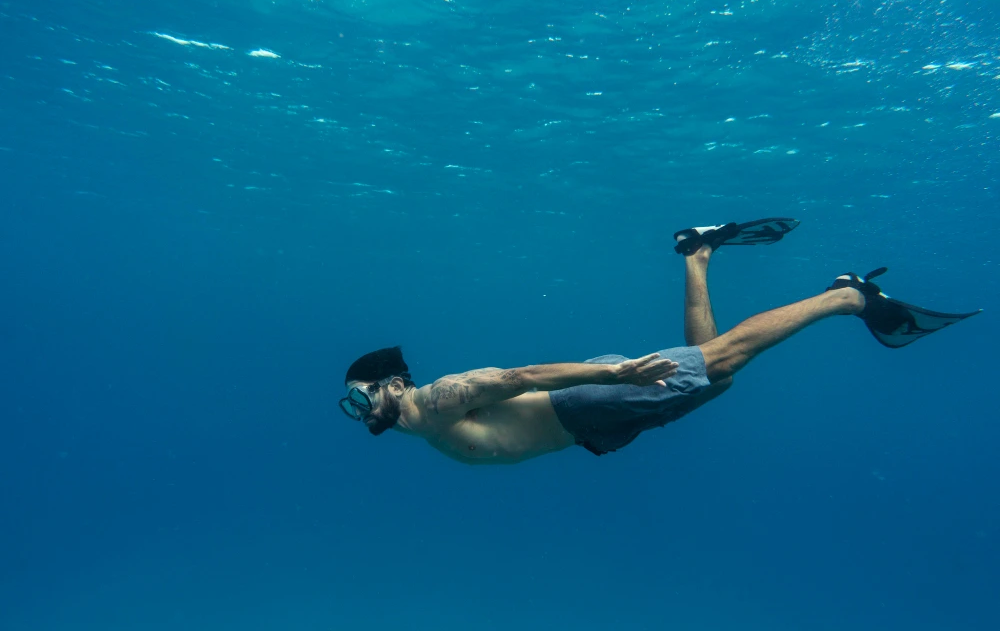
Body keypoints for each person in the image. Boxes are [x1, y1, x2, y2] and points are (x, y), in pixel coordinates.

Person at [339, 219, 979, 464]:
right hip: (589, 427)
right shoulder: (425, 426)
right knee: (718, 378)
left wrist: (612, 377)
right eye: (354, 404)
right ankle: (697, 252)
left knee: (720, 361)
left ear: (394, 383)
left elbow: (517, 378)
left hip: (585, 402)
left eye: (361, 396)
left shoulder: (440, 397)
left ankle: (847, 296)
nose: (360, 410)